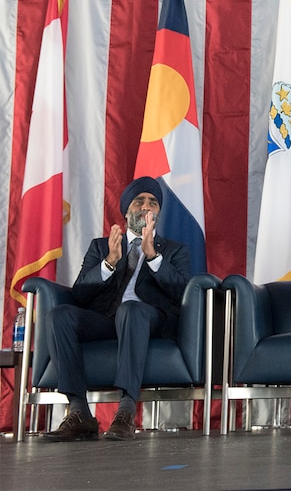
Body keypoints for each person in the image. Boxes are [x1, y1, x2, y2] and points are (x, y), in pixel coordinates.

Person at [42, 176, 192, 441]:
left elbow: (184, 291)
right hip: (106, 319)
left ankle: (125, 410)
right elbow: (79, 293)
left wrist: (153, 258)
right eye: (139, 202)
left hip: (147, 319)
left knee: (131, 309)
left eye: (153, 203)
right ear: (126, 211)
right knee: (59, 315)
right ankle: (79, 412)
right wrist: (109, 263)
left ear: (158, 212)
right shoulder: (101, 247)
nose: (146, 207)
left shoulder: (173, 250)